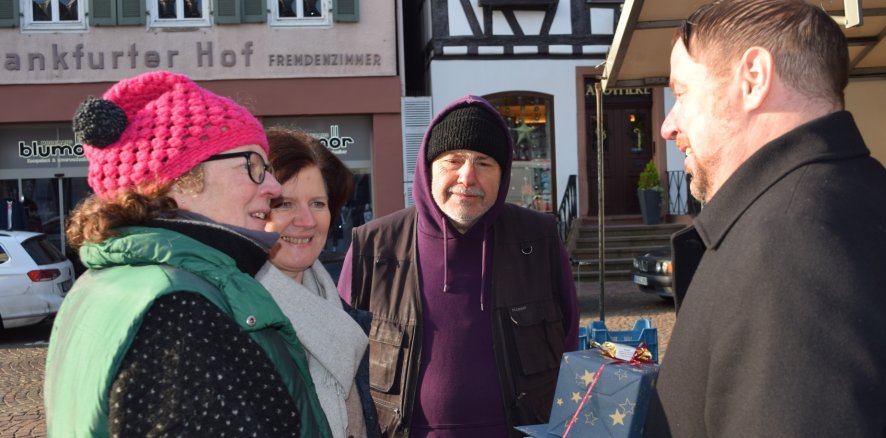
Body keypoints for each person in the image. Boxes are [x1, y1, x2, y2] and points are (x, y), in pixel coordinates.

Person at [645, 0, 886, 436]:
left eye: (680, 93)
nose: (668, 125)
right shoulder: (863, 197)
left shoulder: (795, 245)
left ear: (753, 78)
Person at [44, 71, 331, 437]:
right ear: (179, 178)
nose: (272, 187)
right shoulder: (180, 311)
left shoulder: (105, 283)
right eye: (254, 167)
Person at [337, 95, 580, 437]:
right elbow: (341, 359)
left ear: (503, 174)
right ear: (428, 168)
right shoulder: (373, 246)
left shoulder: (539, 240)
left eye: (484, 163)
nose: (467, 177)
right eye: (453, 160)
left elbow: (568, 341)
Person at [257, 127, 379, 438]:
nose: (307, 221)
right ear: (253, 210)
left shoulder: (340, 312)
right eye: (284, 204)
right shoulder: (236, 318)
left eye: (318, 204)